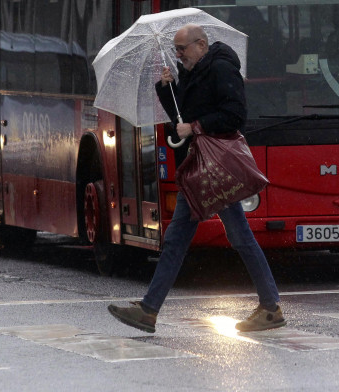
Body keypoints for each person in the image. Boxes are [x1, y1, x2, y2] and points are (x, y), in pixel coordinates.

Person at [108, 24, 285, 334]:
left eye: (182, 49)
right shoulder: (192, 70)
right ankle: (149, 310)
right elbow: (183, 117)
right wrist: (167, 89)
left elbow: (235, 114)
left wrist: (197, 127)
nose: (179, 55)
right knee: (181, 238)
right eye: (176, 50)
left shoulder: (220, 68)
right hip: (199, 167)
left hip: (216, 167)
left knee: (234, 236)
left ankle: (270, 306)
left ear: (201, 44)